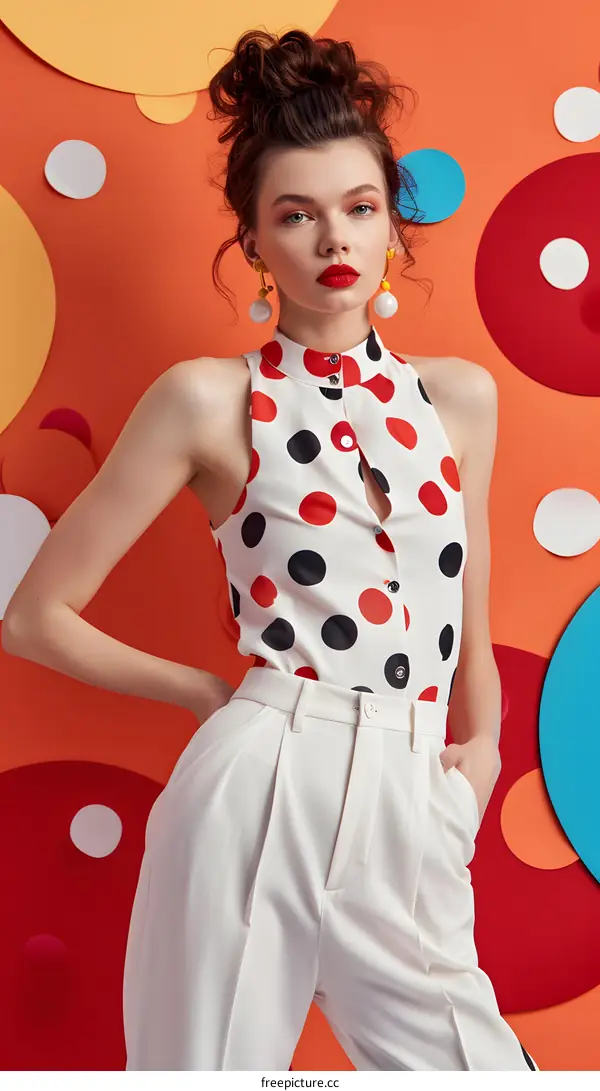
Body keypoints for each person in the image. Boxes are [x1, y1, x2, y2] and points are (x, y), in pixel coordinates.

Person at [1, 27, 539, 1073]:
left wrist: (481, 754)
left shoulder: (462, 399)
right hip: (262, 783)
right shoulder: (209, 400)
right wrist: (212, 695)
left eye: (359, 207)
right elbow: (32, 616)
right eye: (295, 215)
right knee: (205, 1071)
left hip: (414, 785)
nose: (332, 239)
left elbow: (463, 602)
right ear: (253, 240)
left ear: (392, 222)